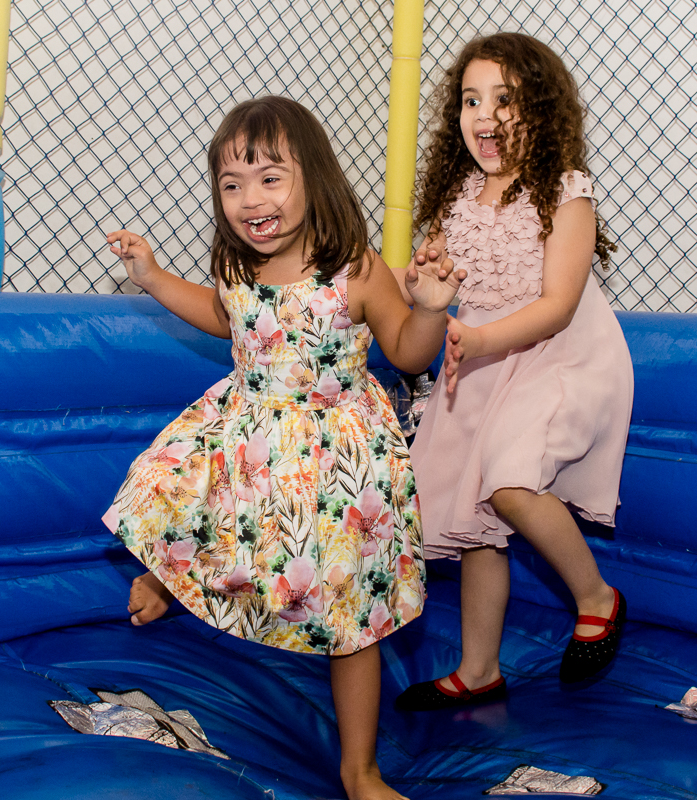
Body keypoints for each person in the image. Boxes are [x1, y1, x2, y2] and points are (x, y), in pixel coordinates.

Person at [101, 96, 464, 800]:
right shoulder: (240, 270)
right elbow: (218, 314)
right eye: (231, 184)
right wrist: (150, 276)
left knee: (348, 616)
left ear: (314, 177)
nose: (248, 198)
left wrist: (428, 306)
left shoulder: (354, 269)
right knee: (167, 488)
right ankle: (171, 577)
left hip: (335, 464)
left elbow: (409, 352)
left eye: (270, 177)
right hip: (250, 441)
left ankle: (359, 772)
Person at [393, 32, 635, 712]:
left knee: (507, 481)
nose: (484, 115)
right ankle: (478, 671)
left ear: (543, 112)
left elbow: (557, 307)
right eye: (471, 100)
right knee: (477, 519)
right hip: (483, 363)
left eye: (504, 99)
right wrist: (425, 284)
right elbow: (434, 284)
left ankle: (596, 596)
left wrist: (478, 336)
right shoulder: (458, 195)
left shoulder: (566, 193)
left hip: (560, 359)